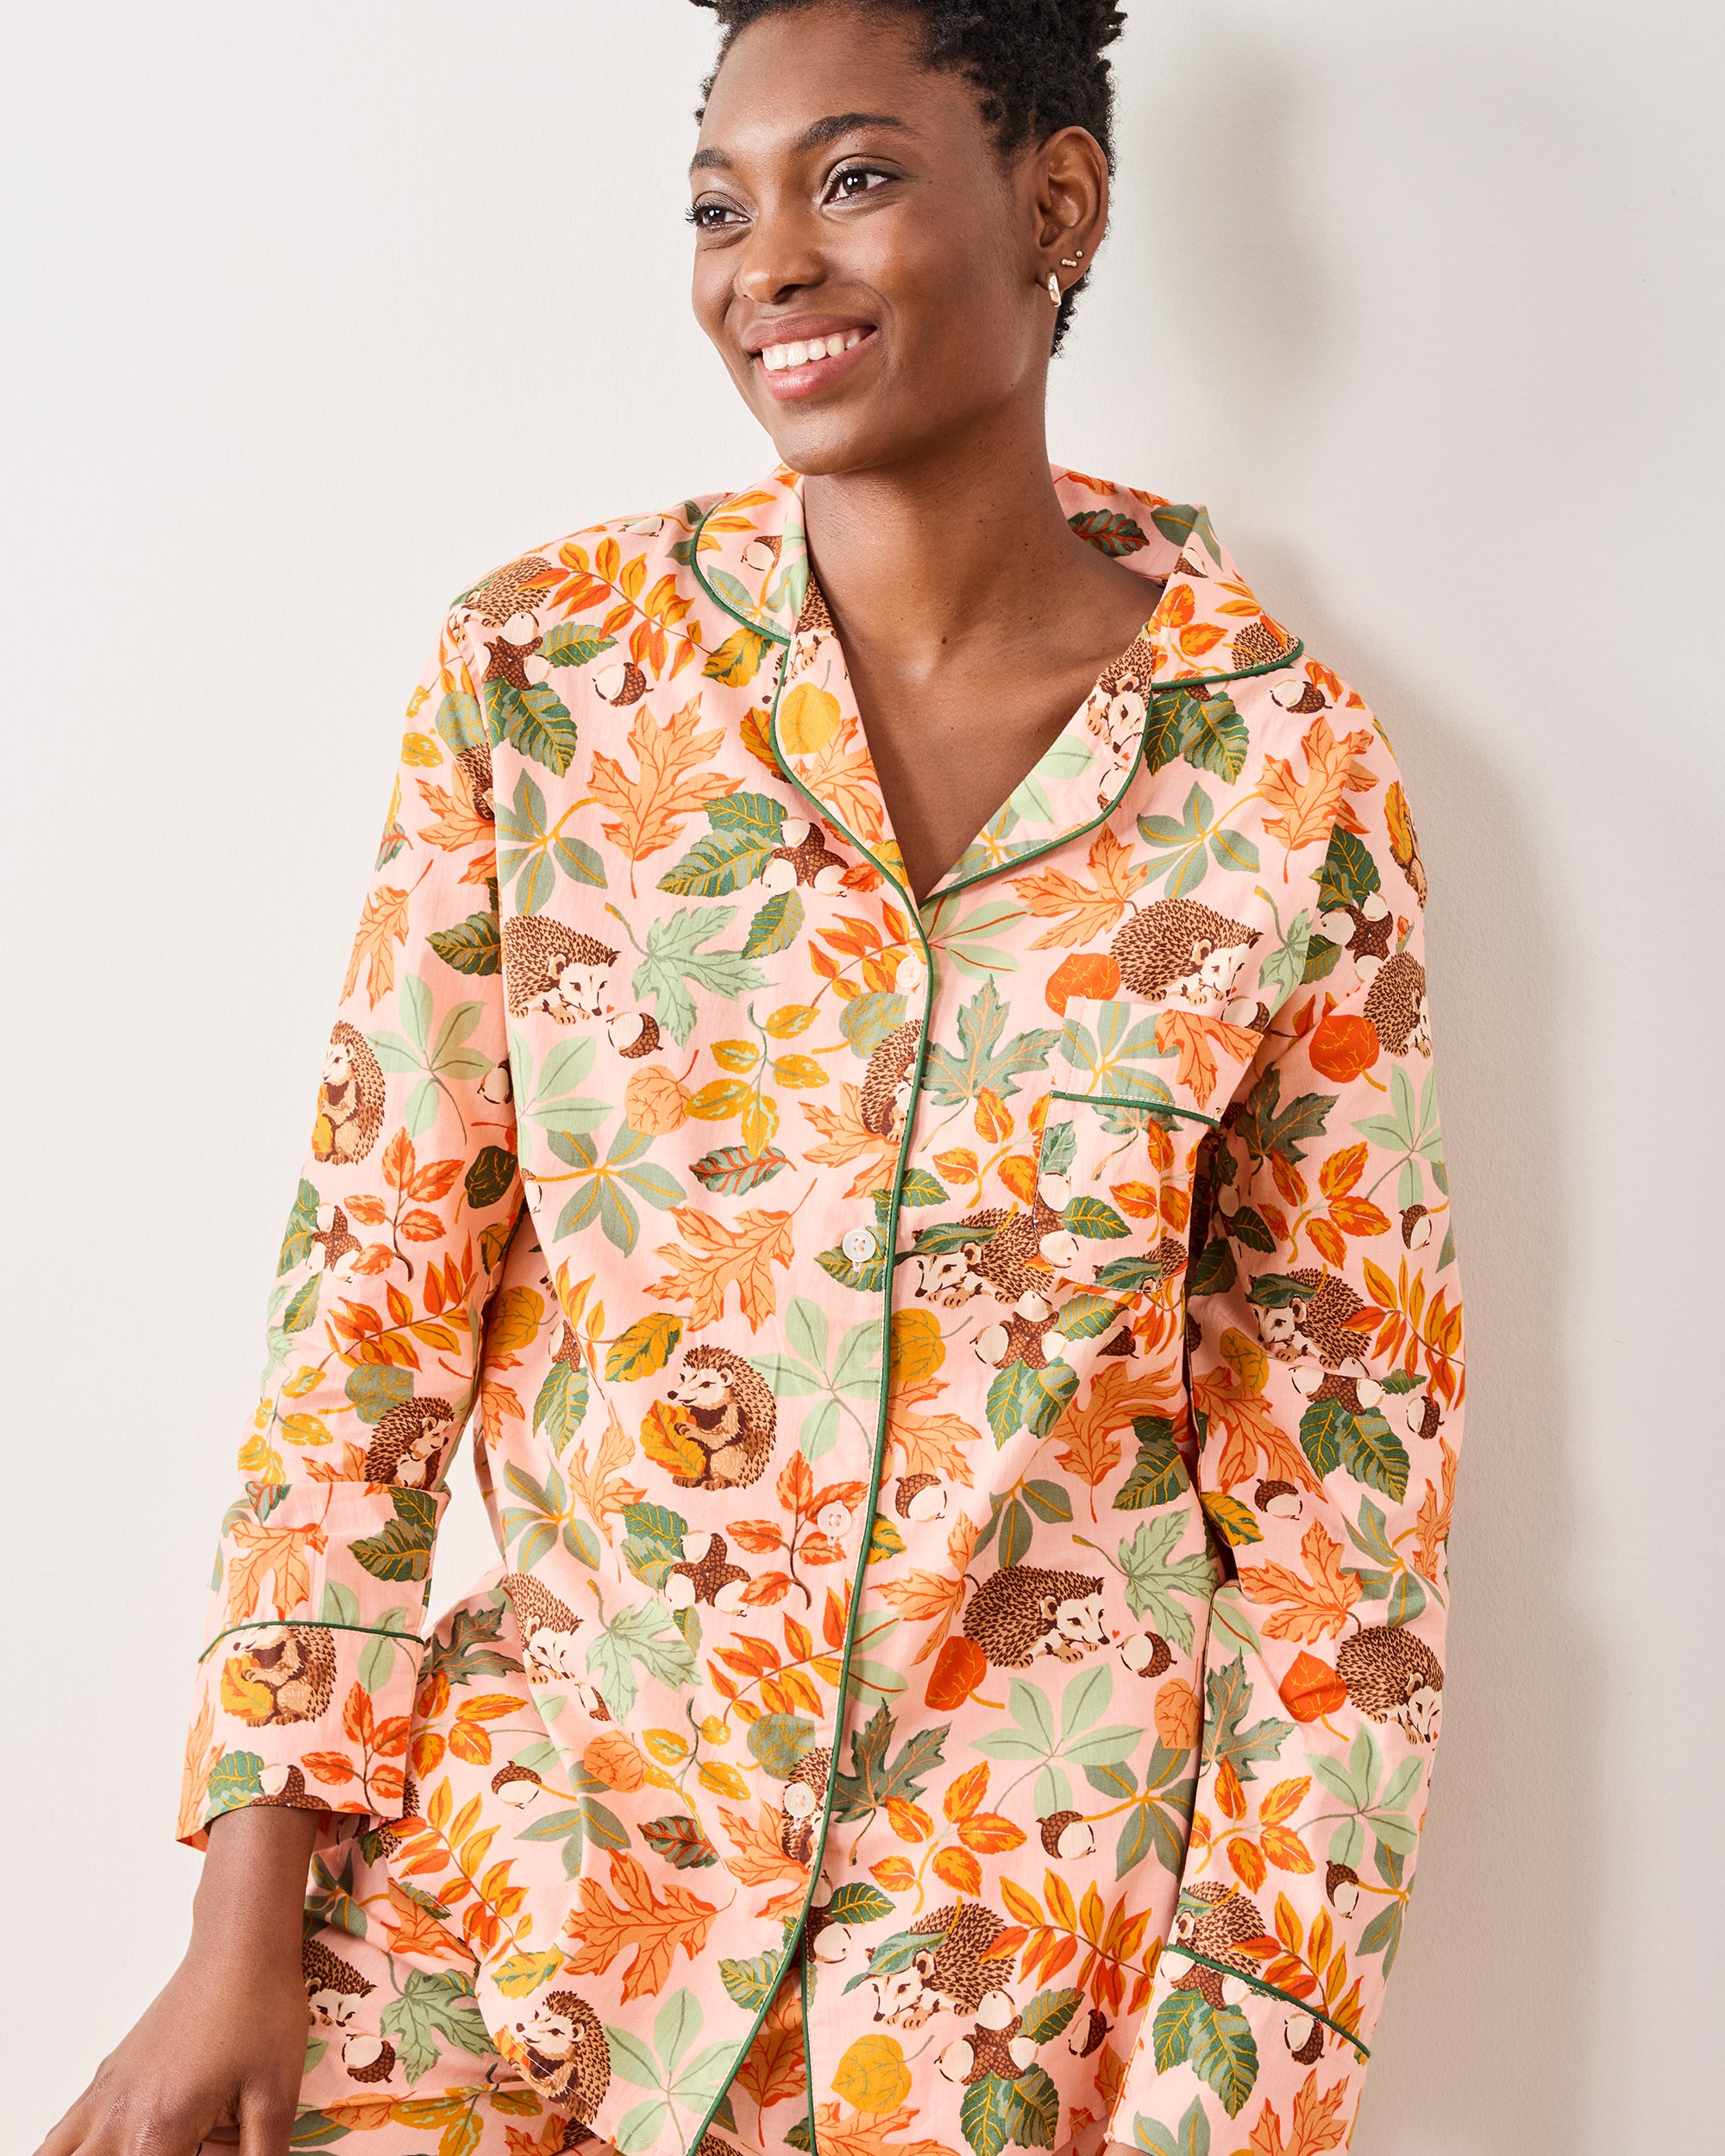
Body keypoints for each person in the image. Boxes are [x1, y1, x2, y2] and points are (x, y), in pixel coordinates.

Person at [40, 4, 1465, 2153]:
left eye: (855, 178)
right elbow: (370, 1307)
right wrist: (239, 1938)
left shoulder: (1289, 778)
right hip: (516, 1921)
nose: (767, 261)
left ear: (1058, 199)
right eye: (719, 207)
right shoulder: (544, 674)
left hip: (999, 2003)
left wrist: (1224, 2097)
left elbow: (1341, 1512)